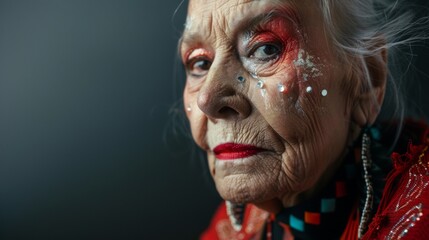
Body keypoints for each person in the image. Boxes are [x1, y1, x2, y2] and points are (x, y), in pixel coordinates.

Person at [178, 0, 429, 239]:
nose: (207, 100)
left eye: (266, 49)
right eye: (200, 63)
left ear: (366, 81)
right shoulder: (235, 228)